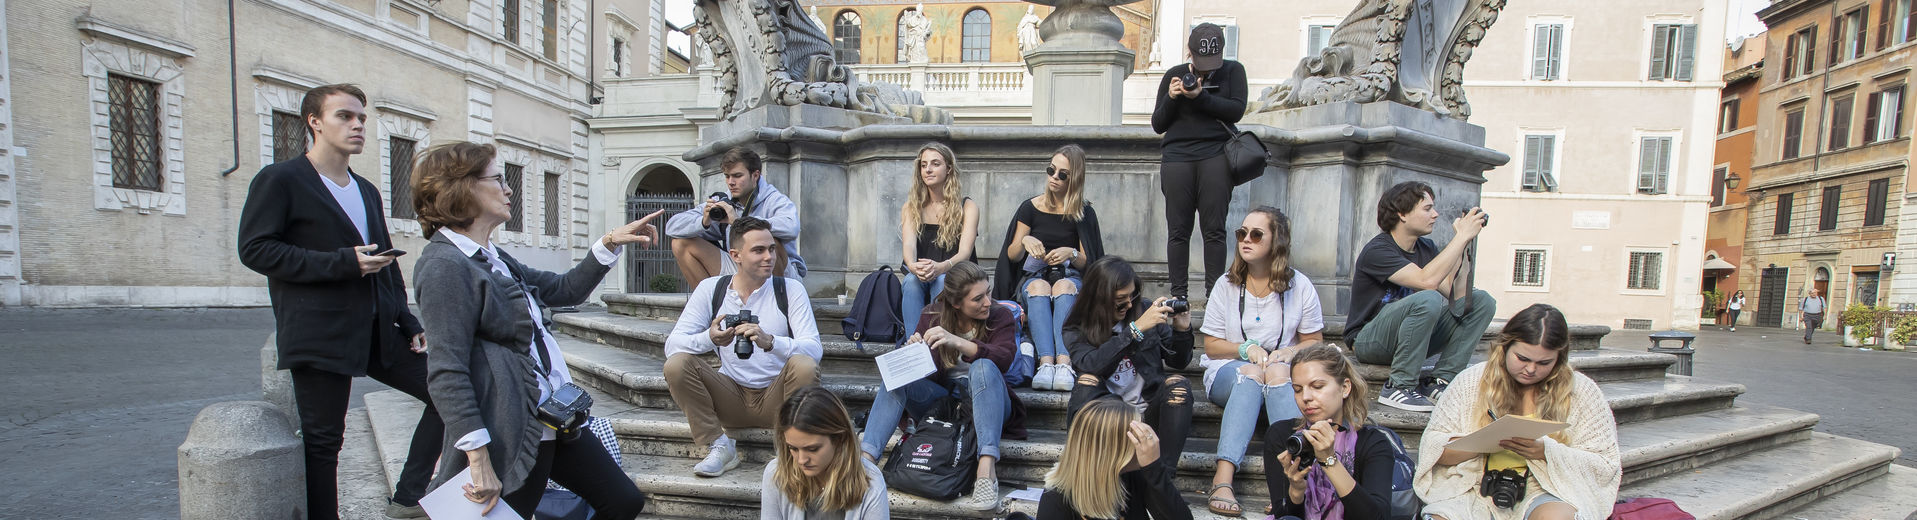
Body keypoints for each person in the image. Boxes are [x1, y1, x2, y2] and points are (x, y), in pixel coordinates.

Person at [409, 141, 655, 519]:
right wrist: (478, 459)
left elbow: (563, 289)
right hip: (514, 427)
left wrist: (608, 244)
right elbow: (446, 371)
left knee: (622, 500)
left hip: (554, 417)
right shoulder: (444, 266)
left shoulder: (492, 256)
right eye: (497, 179)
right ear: (463, 189)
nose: (508, 189)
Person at [236, 83, 440, 519]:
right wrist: (340, 263)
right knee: (324, 441)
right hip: (319, 331)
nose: (358, 125)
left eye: (362, 118)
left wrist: (407, 318)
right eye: (345, 116)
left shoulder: (366, 189)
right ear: (314, 122)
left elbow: (384, 258)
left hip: (377, 328)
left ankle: (409, 497)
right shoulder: (280, 180)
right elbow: (255, 250)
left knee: (449, 393)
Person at [1414, 304, 1622, 520]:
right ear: (1504, 347)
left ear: (1559, 358)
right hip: (1471, 488)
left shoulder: (1581, 391)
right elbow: (1433, 449)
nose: (1531, 369)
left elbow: (1605, 464)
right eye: (1522, 359)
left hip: (1546, 489)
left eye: (1544, 362)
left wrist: (1546, 452)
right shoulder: (1470, 382)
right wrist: (1483, 442)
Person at [663, 216, 824, 478]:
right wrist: (710, 339)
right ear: (735, 255)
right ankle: (720, 445)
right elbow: (673, 345)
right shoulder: (711, 289)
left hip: (779, 398)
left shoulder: (790, 289)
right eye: (758, 250)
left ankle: (789, 450)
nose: (769, 257)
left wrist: (770, 342)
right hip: (730, 397)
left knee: (804, 365)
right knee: (677, 364)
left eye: (771, 249)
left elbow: (814, 349)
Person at [860, 262, 1025, 511]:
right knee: (897, 376)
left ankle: (985, 471)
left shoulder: (999, 316)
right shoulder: (931, 315)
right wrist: (912, 352)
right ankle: (866, 465)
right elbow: (921, 372)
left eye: (988, 292)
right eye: (978, 298)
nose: (988, 302)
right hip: (944, 404)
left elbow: (1003, 358)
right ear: (956, 303)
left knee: (983, 366)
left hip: (989, 402)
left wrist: (956, 341)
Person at [1197, 207, 1324, 517]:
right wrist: (1245, 349)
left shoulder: (1300, 286)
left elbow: (1314, 341)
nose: (1246, 240)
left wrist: (1290, 352)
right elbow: (1212, 347)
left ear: (1276, 241)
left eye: (1256, 234)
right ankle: (1223, 477)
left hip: (1280, 376)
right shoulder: (1226, 285)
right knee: (1252, 372)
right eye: (1242, 233)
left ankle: (1288, 483)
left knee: (1279, 371)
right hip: (1228, 372)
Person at [1347, 181, 1497, 412]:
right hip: (1369, 340)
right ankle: (1399, 386)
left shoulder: (1426, 248)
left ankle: (1442, 381)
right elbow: (1427, 282)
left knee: (1481, 301)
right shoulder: (1378, 250)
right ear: (1402, 214)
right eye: (1427, 209)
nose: (1435, 215)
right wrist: (1459, 238)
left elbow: (1456, 297)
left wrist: (1464, 240)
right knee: (1427, 297)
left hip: (1412, 339)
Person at [995, 144, 1107, 391]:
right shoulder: (1030, 207)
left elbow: (1090, 262)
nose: (1054, 178)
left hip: (1070, 277)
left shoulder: (1084, 211)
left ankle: (1064, 363)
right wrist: (1025, 240)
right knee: (1038, 286)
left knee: (1065, 285)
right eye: (1051, 170)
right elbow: (1012, 256)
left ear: (1074, 178)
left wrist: (1072, 253)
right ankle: (1045, 363)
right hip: (1034, 276)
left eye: (1062, 174)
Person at [1151, 22, 1250, 300]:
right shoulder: (1175, 75)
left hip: (1216, 156)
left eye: (1212, 61)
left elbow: (1236, 110)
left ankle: (1215, 295)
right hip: (1177, 158)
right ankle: (1178, 295)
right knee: (1178, 230)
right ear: (1189, 52)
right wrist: (1172, 98)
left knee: (1214, 230)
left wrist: (1201, 96)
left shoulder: (1233, 71)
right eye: (1201, 61)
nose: (1206, 69)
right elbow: (1158, 124)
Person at [1062, 257, 1195, 462]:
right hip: (1107, 415)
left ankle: (1164, 477)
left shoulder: (1144, 310)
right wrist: (1135, 330)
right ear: (1099, 297)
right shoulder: (1078, 326)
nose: (1129, 304)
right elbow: (1091, 365)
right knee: (1086, 381)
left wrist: (1182, 330)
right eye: (1120, 299)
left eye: (1132, 295)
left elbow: (1179, 361)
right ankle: (1076, 465)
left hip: (1148, 410)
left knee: (1178, 386)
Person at [1260, 344, 1410, 519]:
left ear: (1345, 388)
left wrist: (1329, 461)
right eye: (1298, 390)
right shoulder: (1285, 436)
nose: (1306, 397)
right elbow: (1283, 515)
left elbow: (1377, 516)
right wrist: (1296, 491)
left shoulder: (1373, 442)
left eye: (1317, 386)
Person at [1036, 396, 1193, 520]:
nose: (1144, 440)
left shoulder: (1134, 476)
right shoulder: (1057, 497)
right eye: (1136, 435)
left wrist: (1154, 468)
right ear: (1115, 450)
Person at [666, 147, 806, 281]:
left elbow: (791, 227)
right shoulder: (723, 202)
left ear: (755, 175)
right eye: (727, 176)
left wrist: (740, 222)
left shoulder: (775, 199)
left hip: (781, 276)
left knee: (769, 242)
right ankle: (712, 302)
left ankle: (775, 302)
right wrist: (704, 222)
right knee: (681, 243)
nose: (731, 182)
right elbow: (671, 227)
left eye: (737, 176)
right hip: (739, 266)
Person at [763, 386, 891, 519]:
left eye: (812, 449)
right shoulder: (776, 473)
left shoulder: (871, 480)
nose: (801, 460)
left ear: (839, 439)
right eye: (793, 448)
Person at [899, 142, 980, 334]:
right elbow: (909, 246)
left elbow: (965, 253)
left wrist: (940, 267)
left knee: (942, 281)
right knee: (910, 281)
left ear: (949, 169)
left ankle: (940, 345)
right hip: (922, 275)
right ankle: (914, 346)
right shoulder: (911, 207)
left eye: (935, 164)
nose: (928, 169)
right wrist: (913, 266)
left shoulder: (967, 207)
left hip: (957, 273)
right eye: (924, 164)